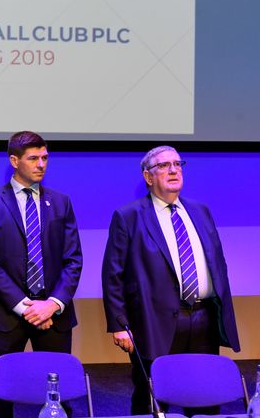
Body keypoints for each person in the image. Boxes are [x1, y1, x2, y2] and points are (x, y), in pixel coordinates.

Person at [102, 145, 240, 415]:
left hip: (203, 317)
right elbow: (113, 274)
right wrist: (119, 325)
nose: (174, 170)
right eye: (164, 166)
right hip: (153, 321)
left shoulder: (201, 211)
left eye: (178, 164)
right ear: (148, 176)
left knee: (204, 393)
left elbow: (216, 262)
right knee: (152, 396)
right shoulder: (129, 216)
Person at [0, 131, 82, 418]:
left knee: (60, 392)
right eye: (33, 158)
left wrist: (51, 304)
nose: (41, 164)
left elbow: (73, 260)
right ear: (14, 161)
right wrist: (26, 307)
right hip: (6, 315)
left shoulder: (61, 202)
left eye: (45, 157)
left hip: (54, 316)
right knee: (1, 398)